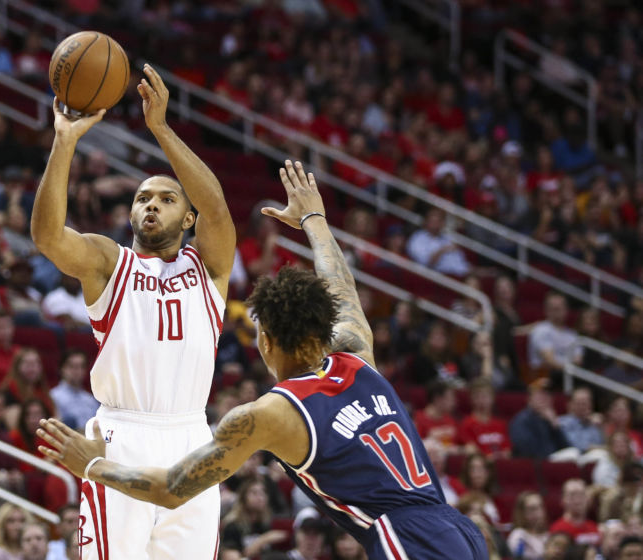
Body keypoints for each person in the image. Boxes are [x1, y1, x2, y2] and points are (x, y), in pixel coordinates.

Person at [37, 161, 487, 559]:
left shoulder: (272, 412)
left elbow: (173, 489)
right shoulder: (357, 359)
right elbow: (343, 293)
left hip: (403, 538)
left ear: (266, 342)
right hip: (455, 527)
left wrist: (90, 465)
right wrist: (315, 221)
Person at [30, 64, 236, 560]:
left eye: (166, 199)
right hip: (123, 435)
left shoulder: (208, 266)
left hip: (192, 436)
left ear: (187, 217)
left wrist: (160, 128)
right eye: (142, 198)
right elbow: (48, 238)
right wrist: (65, 142)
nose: (151, 205)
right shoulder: (109, 262)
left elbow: (218, 209)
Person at [509, 378, 570, 459]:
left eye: (548, 394)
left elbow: (566, 447)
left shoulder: (551, 419)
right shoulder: (521, 420)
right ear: (529, 399)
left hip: (553, 464)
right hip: (533, 466)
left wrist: (555, 425)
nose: (545, 398)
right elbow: (529, 450)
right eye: (540, 394)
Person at [49, 350, 99, 432]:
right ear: (62, 368)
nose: (77, 371)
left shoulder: (91, 399)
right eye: (72, 366)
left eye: (81, 366)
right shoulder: (53, 396)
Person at [549, 478, 599, 546]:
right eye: (572, 495)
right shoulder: (557, 530)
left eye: (581, 495)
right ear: (563, 500)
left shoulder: (594, 527)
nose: (577, 500)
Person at [557, 387, 605, 454]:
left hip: (594, 457)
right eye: (579, 403)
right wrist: (594, 448)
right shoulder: (563, 422)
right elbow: (576, 446)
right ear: (571, 405)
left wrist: (601, 428)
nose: (582, 407)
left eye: (585, 403)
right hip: (572, 458)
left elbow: (605, 445)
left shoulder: (594, 423)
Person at [506, 491, 549, 560]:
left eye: (541, 506)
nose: (539, 512)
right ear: (522, 513)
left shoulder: (548, 535)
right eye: (532, 509)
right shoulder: (518, 536)